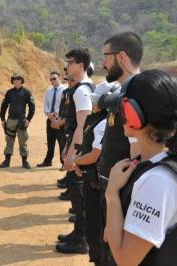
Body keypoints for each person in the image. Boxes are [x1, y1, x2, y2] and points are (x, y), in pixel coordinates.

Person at [104, 70, 177, 265]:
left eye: (122, 108)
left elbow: (125, 259)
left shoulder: (158, 180)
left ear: (134, 115)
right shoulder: (149, 165)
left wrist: (112, 194)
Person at [97, 31, 142, 263]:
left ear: (121, 57)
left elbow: (137, 156)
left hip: (123, 199)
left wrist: (120, 213)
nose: (103, 63)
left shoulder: (134, 94)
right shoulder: (126, 90)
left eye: (106, 56)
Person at [66, 81, 114, 265]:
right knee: (92, 225)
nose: (92, 104)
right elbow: (87, 146)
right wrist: (78, 160)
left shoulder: (103, 123)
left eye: (97, 101)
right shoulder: (95, 118)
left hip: (96, 182)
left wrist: (76, 161)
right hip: (88, 177)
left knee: (96, 227)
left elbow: (94, 155)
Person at [56, 48, 94, 254]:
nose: (67, 66)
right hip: (75, 145)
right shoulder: (79, 88)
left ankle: (82, 239)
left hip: (80, 150)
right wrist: (66, 147)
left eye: (70, 62)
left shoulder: (82, 91)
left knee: (79, 196)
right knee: (76, 194)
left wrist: (72, 154)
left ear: (80, 65)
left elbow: (83, 125)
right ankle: (78, 232)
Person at [0, 73, 35, 169]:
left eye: (18, 79)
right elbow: (4, 106)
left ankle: (24, 161)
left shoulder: (27, 92)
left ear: (21, 80)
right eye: (14, 79)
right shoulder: (9, 92)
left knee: (22, 141)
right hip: (10, 120)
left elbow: (32, 107)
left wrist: (28, 119)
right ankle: (7, 161)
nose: (16, 81)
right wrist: (2, 119)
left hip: (21, 121)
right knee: (9, 141)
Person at [37, 71, 65, 168]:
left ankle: (64, 163)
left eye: (54, 78)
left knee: (62, 142)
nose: (52, 81)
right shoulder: (49, 91)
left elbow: (65, 105)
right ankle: (48, 161)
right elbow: (46, 105)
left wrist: (56, 115)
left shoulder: (65, 90)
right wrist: (49, 115)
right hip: (50, 119)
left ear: (59, 78)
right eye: (51, 79)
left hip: (60, 120)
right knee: (50, 141)